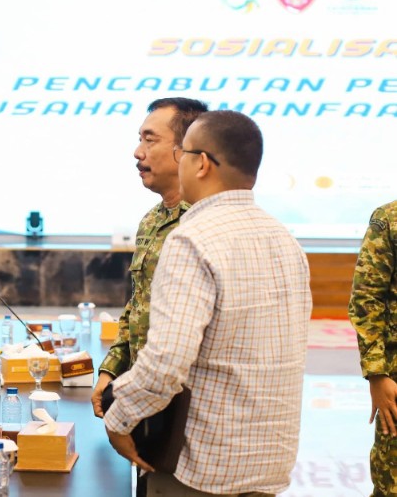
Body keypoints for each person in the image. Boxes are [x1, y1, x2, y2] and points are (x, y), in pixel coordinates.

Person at [104, 110, 312, 496]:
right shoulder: (285, 239)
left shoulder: (192, 239)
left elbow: (165, 363)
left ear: (201, 163)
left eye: (182, 153)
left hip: (201, 467)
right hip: (268, 464)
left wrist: (118, 418)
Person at [92, 98, 208, 417]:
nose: (137, 152)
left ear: (186, 150)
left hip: (188, 404)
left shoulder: (204, 223)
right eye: (139, 139)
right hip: (142, 394)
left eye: (150, 140)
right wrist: (111, 370)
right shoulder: (152, 220)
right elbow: (137, 305)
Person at [348, 200, 397, 496]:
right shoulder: (389, 219)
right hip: (395, 377)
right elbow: (367, 298)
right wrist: (377, 373)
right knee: (391, 481)